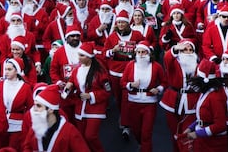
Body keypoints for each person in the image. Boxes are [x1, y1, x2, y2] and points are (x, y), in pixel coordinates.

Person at [103, 10, 144, 139]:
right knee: (119, 97)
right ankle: (124, 117)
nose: (120, 24)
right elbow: (104, 54)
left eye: (123, 22)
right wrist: (112, 51)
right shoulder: (112, 37)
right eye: (119, 22)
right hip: (115, 70)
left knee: (128, 96)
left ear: (128, 23)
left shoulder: (136, 34)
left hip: (131, 68)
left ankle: (126, 125)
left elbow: (145, 46)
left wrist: (139, 51)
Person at [64, 42, 111, 152]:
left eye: (82, 55)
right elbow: (72, 81)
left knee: (90, 136)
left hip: (95, 108)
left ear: (89, 57)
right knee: (82, 137)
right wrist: (69, 85)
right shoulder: (77, 70)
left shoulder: (100, 72)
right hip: (80, 108)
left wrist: (91, 96)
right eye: (79, 55)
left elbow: (107, 91)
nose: (79, 58)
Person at [121, 41, 165, 152]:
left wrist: (158, 89)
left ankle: (146, 148)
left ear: (149, 53)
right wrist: (130, 85)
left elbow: (165, 81)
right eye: (138, 52)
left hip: (149, 102)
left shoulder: (156, 66)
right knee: (136, 130)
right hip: (133, 101)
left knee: (146, 133)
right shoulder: (130, 65)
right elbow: (122, 82)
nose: (141, 54)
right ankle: (142, 144)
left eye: (143, 52)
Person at [22, 84, 90, 152]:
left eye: (39, 106)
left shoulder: (69, 131)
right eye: (34, 105)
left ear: (51, 110)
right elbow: (27, 146)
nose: (34, 109)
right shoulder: (35, 127)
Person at [160, 39, 200, 152]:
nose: (187, 52)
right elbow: (167, 58)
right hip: (173, 100)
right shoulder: (174, 62)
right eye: (184, 49)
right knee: (174, 133)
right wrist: (175, 48)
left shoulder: (198, 65)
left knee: (187, 133)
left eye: (190, 49)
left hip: (191, 102)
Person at [182, 59, 228, 152]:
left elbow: (220, 125)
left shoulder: (215, 97)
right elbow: (204, 117)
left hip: (214, 144)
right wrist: (191, 128)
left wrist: (197, 134)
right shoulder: (206, 92)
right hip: (204, 140)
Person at [0, 58, 34, 151]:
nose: (6, 72)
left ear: (17, 70)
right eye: (5, 69)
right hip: (2, 122)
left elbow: (30, 107)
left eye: (9, 69)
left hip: (17, 125)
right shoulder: (0, 84)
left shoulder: (25, 87)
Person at [50, 25, 83, 122]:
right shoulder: (59, 52)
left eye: (77, 36)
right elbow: (53, 71)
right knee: (66, 118)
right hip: (65, 92)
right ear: (67, 38)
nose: (75, 38)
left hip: (82, 91)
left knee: (80, 120)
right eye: (72, 36)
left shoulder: (85, 50)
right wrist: (58, 82)